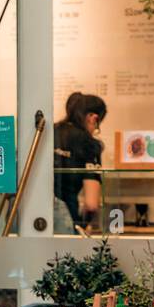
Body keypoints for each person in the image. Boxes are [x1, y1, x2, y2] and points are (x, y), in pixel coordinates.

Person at [53, 93, 106, 231]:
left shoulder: (50, 132)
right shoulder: (89, 144)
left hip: (32, 216)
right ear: (93, 117)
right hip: (66, 220)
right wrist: (83, 223)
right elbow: (91, 204)